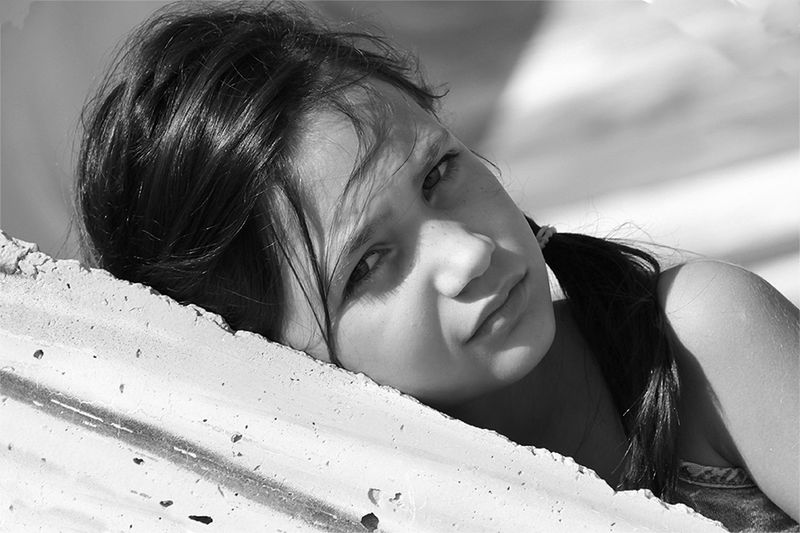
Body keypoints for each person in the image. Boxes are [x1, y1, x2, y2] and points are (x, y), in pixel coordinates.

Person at [75, 2, 799, 531]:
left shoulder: (700, 341)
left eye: (438, 173)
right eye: (368, 264)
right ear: (271, 358)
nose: (468, 253)